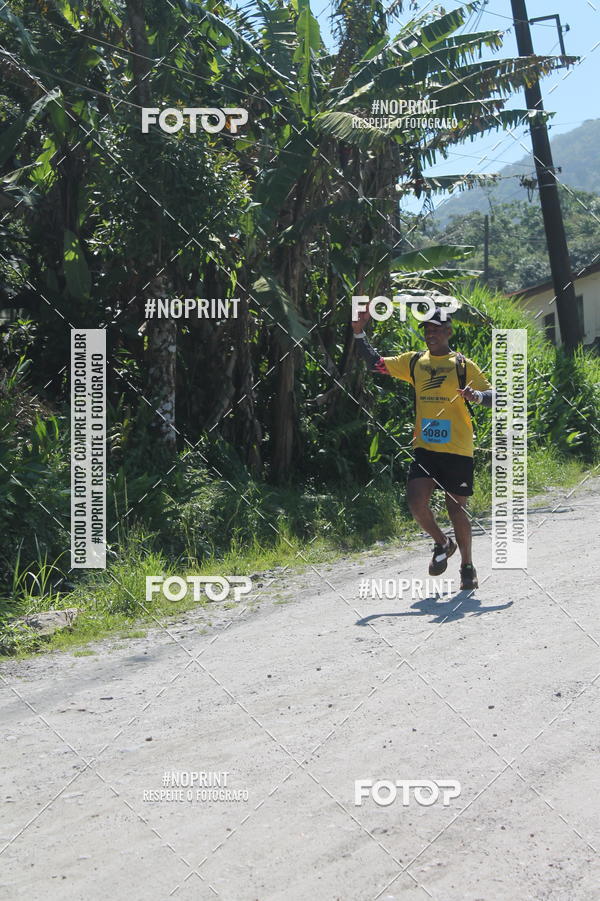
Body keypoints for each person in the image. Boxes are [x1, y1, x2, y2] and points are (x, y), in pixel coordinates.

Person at [352, 304, 493, 590]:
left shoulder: (463, 365)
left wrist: (476, 396)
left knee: (457, 511)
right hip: (426, 446)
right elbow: (376, 363)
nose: (431, 334)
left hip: (458, 448)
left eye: (437, 329)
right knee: (416, 503)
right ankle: (443, 543)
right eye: (427, 330)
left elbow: (494, 395)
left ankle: (467, 567)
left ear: (448, 332)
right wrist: (358, 334)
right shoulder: (414, 361)